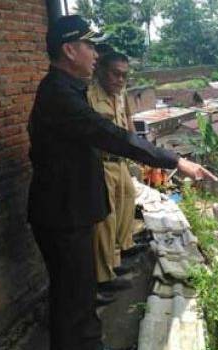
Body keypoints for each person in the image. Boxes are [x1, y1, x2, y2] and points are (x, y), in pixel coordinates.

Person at [27, 15, 216, 350]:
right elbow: (112, 135)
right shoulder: (60, 95)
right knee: (75, 303)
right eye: (89, 46)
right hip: (63, 215)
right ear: (70, 50)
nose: (95, 54)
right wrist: (176, 160)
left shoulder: (68, 89)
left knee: (78, 298)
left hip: (68, 210)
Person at [87, 47, 139, 296]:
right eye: (115, 74)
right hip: (102, 163)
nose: (120, 80)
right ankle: (103, 276)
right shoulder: (88, 95)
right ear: (100, 71)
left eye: (124, 75)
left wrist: (135, 149)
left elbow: (128, 120)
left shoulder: (121, 92)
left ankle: (118, 257)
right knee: (106, 220)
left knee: (127, 203)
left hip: (121, 161)